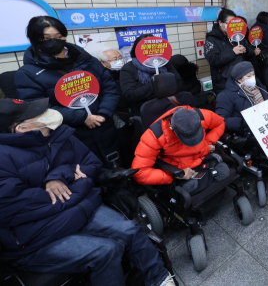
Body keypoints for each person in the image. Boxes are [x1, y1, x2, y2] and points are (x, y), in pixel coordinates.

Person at [0, 98, 175, 286]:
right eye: (40, 114)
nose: (48, 113)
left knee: (131, 230)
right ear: (22, 128)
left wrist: (60, 176)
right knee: (105, 251)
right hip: (36, 236)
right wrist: (78, 186)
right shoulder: (4, 156)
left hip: (78, 209)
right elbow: (11, 205)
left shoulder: (60, 135)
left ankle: (160, 280)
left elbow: (91, 164)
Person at [15, 16, 120, 163]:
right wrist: (82, 118)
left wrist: (104, 113)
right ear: (35, 39)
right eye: (46, 38)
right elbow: (37, 107)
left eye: (59, 36)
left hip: (104, 125)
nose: (54, 41)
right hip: (71, 134)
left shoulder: (86, 59)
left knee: (116, 164)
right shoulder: (28, 73)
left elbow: (109, 87)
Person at [132, 106, 228, 195]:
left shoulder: (199, 115)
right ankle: (209, 175)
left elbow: (220, 123)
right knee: (188, 188)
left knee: (225, 171)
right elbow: (139, 173)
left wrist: (208, 143)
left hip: (202, 157)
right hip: (181, 169)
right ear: (172, 129)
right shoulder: (154, 136)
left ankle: (207, 176)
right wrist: (175, 174)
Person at [119, 34, 185, 116]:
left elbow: (179, 83)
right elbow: (130, 94)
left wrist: (166, 84)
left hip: (170, 106)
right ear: (137, 49)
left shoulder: (164, 63)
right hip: (146, 111)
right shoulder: (128, 68)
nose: (152, 51)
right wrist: (155, 83)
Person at [204, 8, 258, 94]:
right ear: (221, 23)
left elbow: (251, 53)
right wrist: (232, 52)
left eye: (234, 24)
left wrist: (246, 50)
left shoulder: (238, 36)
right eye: (229, 23)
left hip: (243, 80)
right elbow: (213, 60)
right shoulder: (212, 39)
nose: (232, 27)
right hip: (224, 84)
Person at [215, 61, 268, 137]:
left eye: (253, 74)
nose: (252, 78)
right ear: (239, 79)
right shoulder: (225, 96)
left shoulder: (260, 87)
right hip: (247, 135)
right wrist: (245, 121)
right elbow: (221, 121)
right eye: (248, 76)